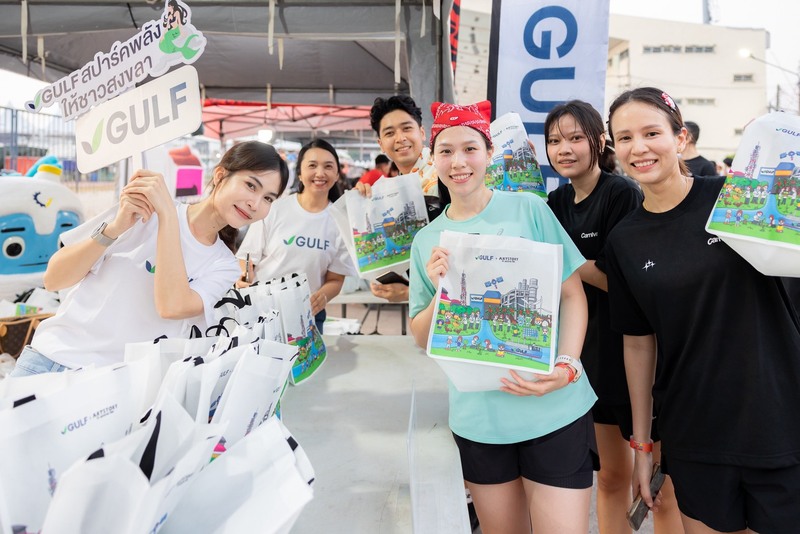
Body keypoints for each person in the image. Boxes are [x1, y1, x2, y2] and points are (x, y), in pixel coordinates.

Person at [604, 86, 800, 534]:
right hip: (695, 433)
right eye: (625, 137)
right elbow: (638, 344)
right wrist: (642, 446)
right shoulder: (625, 240)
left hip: (779, 421)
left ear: (681, 138)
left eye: (652, 133)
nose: (639, 147)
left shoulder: (736, 197)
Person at [409, 101, 598, 534]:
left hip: (553, 408)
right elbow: (421, 335)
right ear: (433, 160)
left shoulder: (529, 209)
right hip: (480, 420)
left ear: (490, 153)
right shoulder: (426, 241)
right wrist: (442, 292)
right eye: (446, 151)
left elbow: (572, 294)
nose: (459, 162)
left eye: (470, 149)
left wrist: (567, 366)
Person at [10, 141, 288, 376]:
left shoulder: (224, 265)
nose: (255, 203)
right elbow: (54, 279)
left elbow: (171, 306)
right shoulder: (142, 209)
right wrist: (114, 229)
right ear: (220, 175)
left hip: (114, 385)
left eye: (268, 198)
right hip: (51, 360)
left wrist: (168, 216)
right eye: (251, 185)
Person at [544, 100, 684, 534]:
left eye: (575, 138)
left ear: (599, 141)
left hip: (634, 354)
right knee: (609, 477)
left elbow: (621, 281)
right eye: (554, 140)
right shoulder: (554, 201)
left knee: (660, 490)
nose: (564, 149)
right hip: (590, 360)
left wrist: (561, 257)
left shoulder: (621, 193)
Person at [236, 139, 354, 334]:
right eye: (312, 166)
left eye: (328, 166)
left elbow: (335, 279)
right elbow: (248, 257)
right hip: (263, 310)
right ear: (299, 172)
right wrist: (244, 278)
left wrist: (322, 297)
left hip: (307, 315)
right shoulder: (273, 209)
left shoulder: (340, 221)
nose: (320, 173)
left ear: (336, 174)